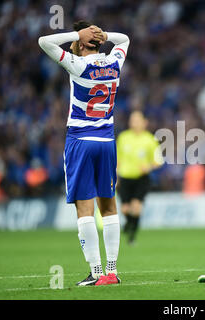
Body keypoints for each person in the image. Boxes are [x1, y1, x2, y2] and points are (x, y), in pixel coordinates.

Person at [38, 21, 129, 286]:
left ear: (79, 44)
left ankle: (97, 272)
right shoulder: (114, 62)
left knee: (85, 208)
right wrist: (104, 35)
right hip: (106, 141)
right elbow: (125, 40)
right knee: (109, 206)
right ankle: (112, 271)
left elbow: (44, 41)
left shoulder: (77, 65)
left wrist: (78, 34)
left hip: (80, 141)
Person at [116, 111, 163, 245]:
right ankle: (129, 225)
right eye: (132, 120)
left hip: (141, 178)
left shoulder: (150, 139)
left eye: (137, 120)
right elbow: (118, 158)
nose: (134, 123)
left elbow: (158, 160)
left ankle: (132, 235)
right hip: (125, 177)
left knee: (136, 207)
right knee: (125, 209)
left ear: (144, 122)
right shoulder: (123, 137)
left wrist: (149, 166)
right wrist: (116, 175)